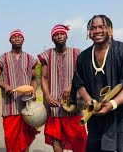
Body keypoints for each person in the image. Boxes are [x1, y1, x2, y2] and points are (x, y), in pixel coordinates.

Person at [69, 14, 123, 152]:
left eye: (101, 27)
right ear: (89, 32)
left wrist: (112, 104)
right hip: (98, 120)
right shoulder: (83, 57)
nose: (97, 31)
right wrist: (89, 101)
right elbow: (79, 83)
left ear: (110, 29)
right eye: (93, 28)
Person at [38, 24, 87, 152]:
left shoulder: (77, 54)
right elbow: (43, 77)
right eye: (56, 35)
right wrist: (47, 96)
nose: (59, 36)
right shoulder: (46, 55)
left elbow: (83, 75)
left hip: (74, 105)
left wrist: (71, 86)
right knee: (56, 139)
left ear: (66, 36)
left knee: (79, 140)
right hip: (54, 105)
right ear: (52, 38)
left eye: (61, 34)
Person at [0, 29, 38, 152]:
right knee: (11, 140)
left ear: (23, 40)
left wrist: (34, 90)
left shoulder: (30, 59)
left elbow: (34, 79)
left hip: (26, 106)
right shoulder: (4, 58)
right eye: (14, 37)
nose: (17, 39)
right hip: (9, 106)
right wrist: (5, 86)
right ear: (10, 40)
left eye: (19, 37)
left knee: (26, 138)